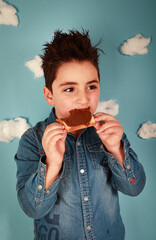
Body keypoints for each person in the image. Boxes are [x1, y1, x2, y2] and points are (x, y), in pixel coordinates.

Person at [15, 29, 146, 240]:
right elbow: (32, 209)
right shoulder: (32, 140)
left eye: (91, 86)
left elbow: (134, 188)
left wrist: (116, 150)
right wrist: (52, 164)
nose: (83, 100)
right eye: (69, 89)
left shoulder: (110, 134)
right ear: (50, 95)